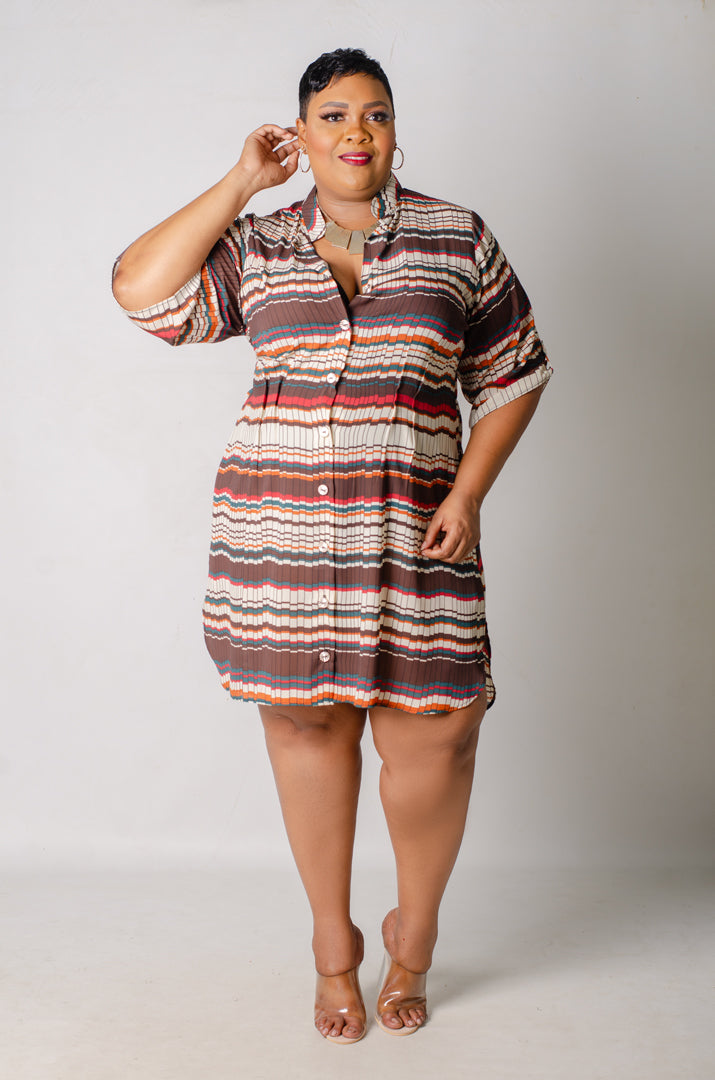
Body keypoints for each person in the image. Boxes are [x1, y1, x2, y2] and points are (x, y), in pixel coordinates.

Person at [112, 47, 552, 1043]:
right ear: (300, 134)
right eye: (335, 114)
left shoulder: (456, 238)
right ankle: (332, 947)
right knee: (307, 731)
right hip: (282, 543)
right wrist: (240, 182)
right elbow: (140, 290)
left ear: (395, 132)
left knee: (434, 739)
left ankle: (415, 938)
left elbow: (515, 372)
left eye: (376, 113)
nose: (357, 130)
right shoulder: (259, 244)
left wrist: (470, 492)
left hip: (417, 536)